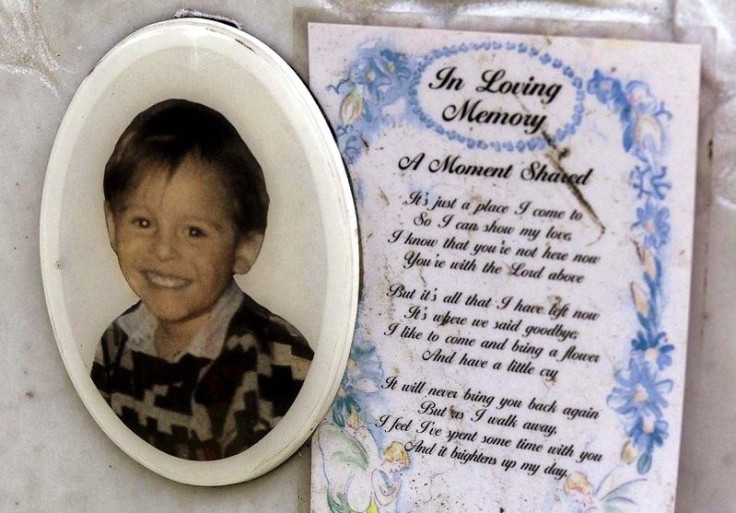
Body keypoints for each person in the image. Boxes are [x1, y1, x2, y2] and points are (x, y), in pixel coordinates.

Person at [90, 99, 313, 461]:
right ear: (113, 226)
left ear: (244, 248)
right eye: (143, 223)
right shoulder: (116, 342)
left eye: (194, 231)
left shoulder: (277, 365)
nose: (163, 251)